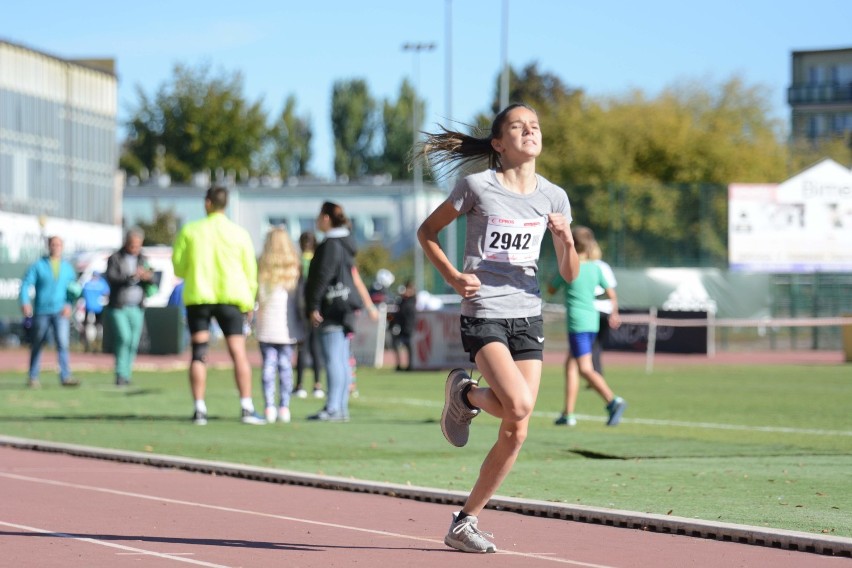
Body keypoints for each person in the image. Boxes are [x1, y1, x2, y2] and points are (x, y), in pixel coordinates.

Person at [416, 103, 579, 553]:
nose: (530, 131)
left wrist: (565, 240)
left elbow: (569, 274)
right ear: (498, 143)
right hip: (484, 309)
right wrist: (452, 276)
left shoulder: (555, 197)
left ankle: (464, 521)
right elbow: (427, 232)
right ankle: (465, 394)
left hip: (527, 313)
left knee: (517, 425)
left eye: (535, 126)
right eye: (518, 126)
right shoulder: (476, 187)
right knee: (521, 403)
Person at [172, 186, 265, 425]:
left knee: (199, 353)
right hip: (230, 298)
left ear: (208, 203)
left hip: (199, 298)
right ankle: (246, 407)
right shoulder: (239, 233)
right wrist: (250, 301)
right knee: (238, 353)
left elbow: (179, 268)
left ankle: (199, 409)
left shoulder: (190, 230)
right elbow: (250, 272)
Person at [304, 202, 378, 422]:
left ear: (327, 218)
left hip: (333, 306)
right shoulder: (346, 244)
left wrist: (313, 305)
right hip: (346, 306)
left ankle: (333, 407)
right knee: (342, 358)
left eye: (319, 216)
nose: (317, 220)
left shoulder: (330, 245)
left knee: (333, 358)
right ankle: (340, 407)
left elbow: (322, 276)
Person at [550, 226, 626, 427]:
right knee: (571, 364)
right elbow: (611, 294)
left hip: (577, 322)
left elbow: (550, 287)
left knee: (584, 368)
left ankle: (613, 401)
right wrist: (615, 313)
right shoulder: (596, 267)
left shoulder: (569, 267)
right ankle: (568, 413)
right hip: (592, 320)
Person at [255, 227, 304, 424]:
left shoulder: (262, 268)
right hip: (288, 326)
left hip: (267, 325)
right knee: (285, 366)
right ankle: (284, 406)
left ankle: (269, 406)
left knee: (268, 366)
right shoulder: (294, 268)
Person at [19, 236, 81, 388]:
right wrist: (25, 302)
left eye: (59, 244)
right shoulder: (39, 265)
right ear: (49, 246)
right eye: (53, 244)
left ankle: (65, 376)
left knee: (63, 343)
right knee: (38, 342)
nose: (56, 247)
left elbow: (73, 289)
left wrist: (69, 304)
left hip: (60, 312)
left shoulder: (67, 267)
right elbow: (25, 284)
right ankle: (33, 376)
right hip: (42, 311)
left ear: (62, 246)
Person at [105, 228, 156, 386]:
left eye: (138, 245)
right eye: (133, 245)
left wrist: (147, 277)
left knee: (133, 341)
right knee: (124, 338)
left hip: (137, 307)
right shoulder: (115, 258)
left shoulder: (142, 259)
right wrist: (130, 277)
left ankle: (127, 374)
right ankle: (120, 373)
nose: (135, 248)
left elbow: (152, 279)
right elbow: (111, 277)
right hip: (119, 306)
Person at [293, 231, 324, 399]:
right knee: (315, 347)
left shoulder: (298, 261)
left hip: (302, 307)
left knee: (302, 347)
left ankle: (299, 385)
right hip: (316, 307)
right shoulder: (318, 260)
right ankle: (317, 385)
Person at [80, 271, 110, 353]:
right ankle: (97, 346)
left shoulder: (87, 284)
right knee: (98, 327)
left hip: (88, 307)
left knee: (87, 326)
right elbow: (107, 292)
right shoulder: (101, 284)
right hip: (97, 308)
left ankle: (87, 345)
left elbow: (81, 293)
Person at [391, 280, 416, 371]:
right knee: (396, 345)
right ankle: (398, 365)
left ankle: (410, 366)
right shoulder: (401, 301)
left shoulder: (412, 300)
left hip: (408, 327)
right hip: (400, 326)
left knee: (408, 346)